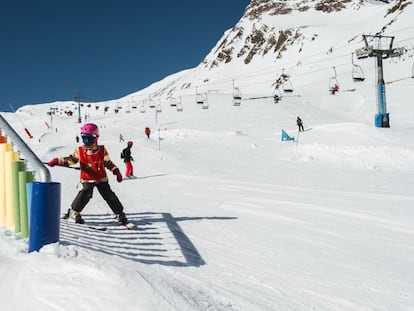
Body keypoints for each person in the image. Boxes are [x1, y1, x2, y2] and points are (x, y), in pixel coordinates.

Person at [47, 123, 128, 225]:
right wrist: (57, 161)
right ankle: (74, 211)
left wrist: (116, 171)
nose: (86, 141)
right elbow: (71, 160)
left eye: (89, 138)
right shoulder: (80, 151)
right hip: (87, 177)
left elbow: (107, 162)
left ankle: (120, 213)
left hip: (101, 178)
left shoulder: (102, 150)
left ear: (96, 138)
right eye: (84, 138)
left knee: (108, 195)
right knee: (86, 193)